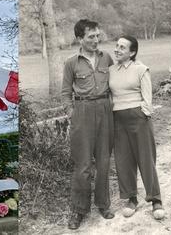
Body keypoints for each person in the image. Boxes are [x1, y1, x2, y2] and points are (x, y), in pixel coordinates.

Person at [61, 19, 114, 230]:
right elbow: (66, 93)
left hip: (104, 110)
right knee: (82, 165)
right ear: (79, 39)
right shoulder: (71, 63)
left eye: (97, 35)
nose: (96, 40)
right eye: (90, 36)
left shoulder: (107, 57)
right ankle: (79, 210)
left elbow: (117, 83)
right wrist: (72, 113)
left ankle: (103, 204)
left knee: (103, 162)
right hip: (82, 112)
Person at [109, 35, 165, 220]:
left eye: (122, 47)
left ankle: (155, 199)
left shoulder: (141, 69)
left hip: (138, 119)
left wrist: (142, 115)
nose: (117, 49)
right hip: (118, 120)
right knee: (123, 160)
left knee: (146, 158)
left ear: (132, 52)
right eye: (117, 46)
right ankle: (131, 198)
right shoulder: (110, 70)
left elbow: (147, 99)